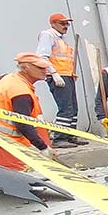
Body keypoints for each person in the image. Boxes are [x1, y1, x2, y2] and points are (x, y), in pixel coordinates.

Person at [0, 53, 57, 170]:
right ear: (24, 68)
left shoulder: (11, 78)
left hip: (3, 139)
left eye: (44, 68)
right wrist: (42, 147)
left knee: (26, 172)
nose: (44, 71)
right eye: (40, 68)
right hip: (1, 141)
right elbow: (23, 124)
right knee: (23, 173)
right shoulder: (20, 92)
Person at [35, 13, 86, 148]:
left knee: (73, 107)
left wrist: (70, 73)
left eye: (67, 24)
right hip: (57, 77)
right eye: (62, 23)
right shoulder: (48, 35)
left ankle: (70, 135)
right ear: (53, 23)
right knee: (65, 108)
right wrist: (54, 74)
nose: (66, 26)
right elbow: (42, 57)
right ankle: (59, 138)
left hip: (66, 76)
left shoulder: (61, 39)